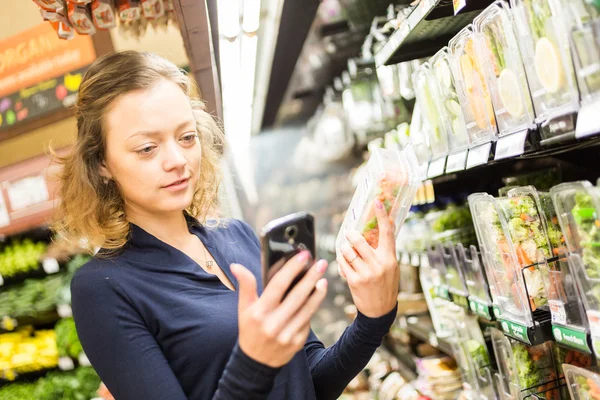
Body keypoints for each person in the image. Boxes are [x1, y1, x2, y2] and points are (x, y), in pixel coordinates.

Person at [54, 51, 400, 400]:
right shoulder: (102, 289)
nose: (177, 160)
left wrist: (372, 318)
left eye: (186, 138)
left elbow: (308, 381)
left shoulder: (238, 237)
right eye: (147, 148)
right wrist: (254, 362)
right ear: (101, 163)